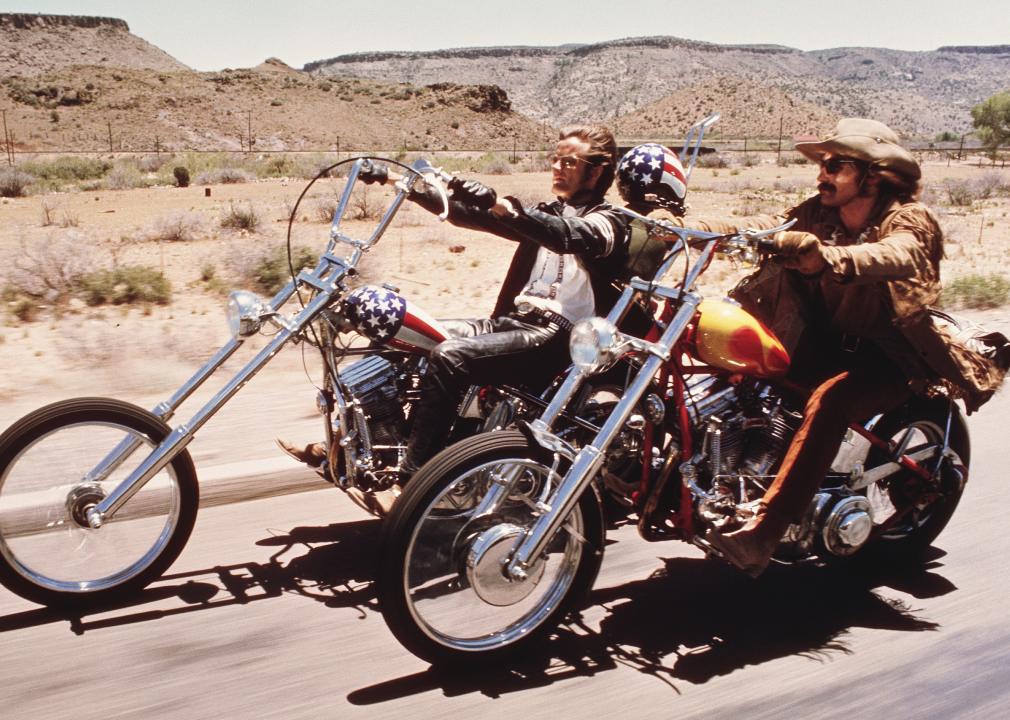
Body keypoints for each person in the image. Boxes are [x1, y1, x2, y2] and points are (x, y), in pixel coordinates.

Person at [657, 118, 1005, 576]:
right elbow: (760, 225)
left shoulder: (906, 217)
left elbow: (899, 253)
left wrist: (829, 256)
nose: (823, 173)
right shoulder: (819, 213)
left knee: (831, 401)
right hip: (819, 343)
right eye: (823, 164)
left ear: (872, 175)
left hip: (887, 355)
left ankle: (764, 533)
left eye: (835, 164)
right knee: (735, 364)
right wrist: (686, 227)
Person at [282, 124, 646, 515]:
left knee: (450, 357)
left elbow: (566, 236)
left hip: (558, 336)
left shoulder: (612, 223)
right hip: (515, 321)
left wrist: (506, 208)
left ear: (596, 171)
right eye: (555, 158)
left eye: (569, 162)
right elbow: (469, 215)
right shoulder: (548, 212)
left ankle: (414, 484)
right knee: (402, 335)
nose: (557, 167)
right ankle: (360, 447)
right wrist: (399, 181)